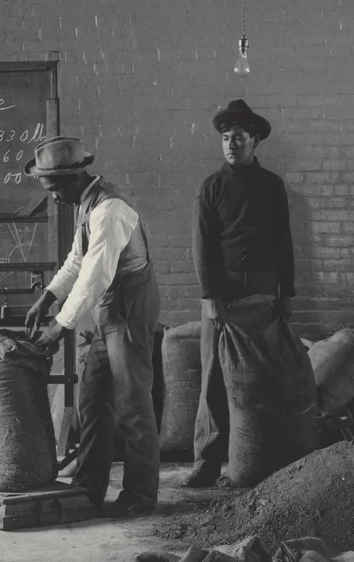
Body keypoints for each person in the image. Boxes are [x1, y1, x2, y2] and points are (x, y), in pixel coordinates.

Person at [23, 137, 161, 518]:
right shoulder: (87, 203)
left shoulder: (110, 209)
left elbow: (95, 275)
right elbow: (76, 260)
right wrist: (47, 297)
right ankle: (88, 488)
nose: (52, 197)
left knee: (132, 404)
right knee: (93, 400)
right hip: (107, 310)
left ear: (72, 177)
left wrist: (61, 326)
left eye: (52, 189)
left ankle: (141, 496)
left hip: (128, 308)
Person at [183, 99, 297, 488]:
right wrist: (210, 296)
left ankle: (259, 458)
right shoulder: (211, 188)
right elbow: (202, 247)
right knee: (215, 378)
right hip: (223, 299)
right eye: (227, 138)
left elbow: (284, 241)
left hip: (264, 296)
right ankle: (207, 461)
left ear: (255, 143)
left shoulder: (272, 186)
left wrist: (287, 293)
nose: (232, 145)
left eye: (240, 138)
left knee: (262, 376)